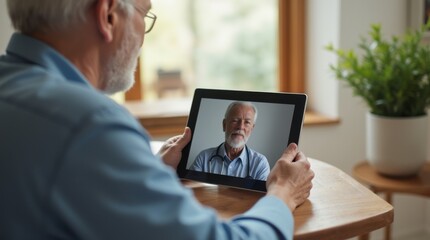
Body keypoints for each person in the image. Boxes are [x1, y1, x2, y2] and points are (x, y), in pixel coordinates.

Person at [0, 0, 314, 239]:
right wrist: (284, 192)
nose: (142, 38)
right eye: (144, 14)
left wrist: (148, 170)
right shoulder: (91, 125)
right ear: (108, 15)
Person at [191, 101, 270, 180]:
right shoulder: (203, 158)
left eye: (247, 122)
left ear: (252, 129)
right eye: (235, 120)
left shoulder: (260, 163)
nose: (240, 127)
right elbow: (192, 190)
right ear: (224, 125)